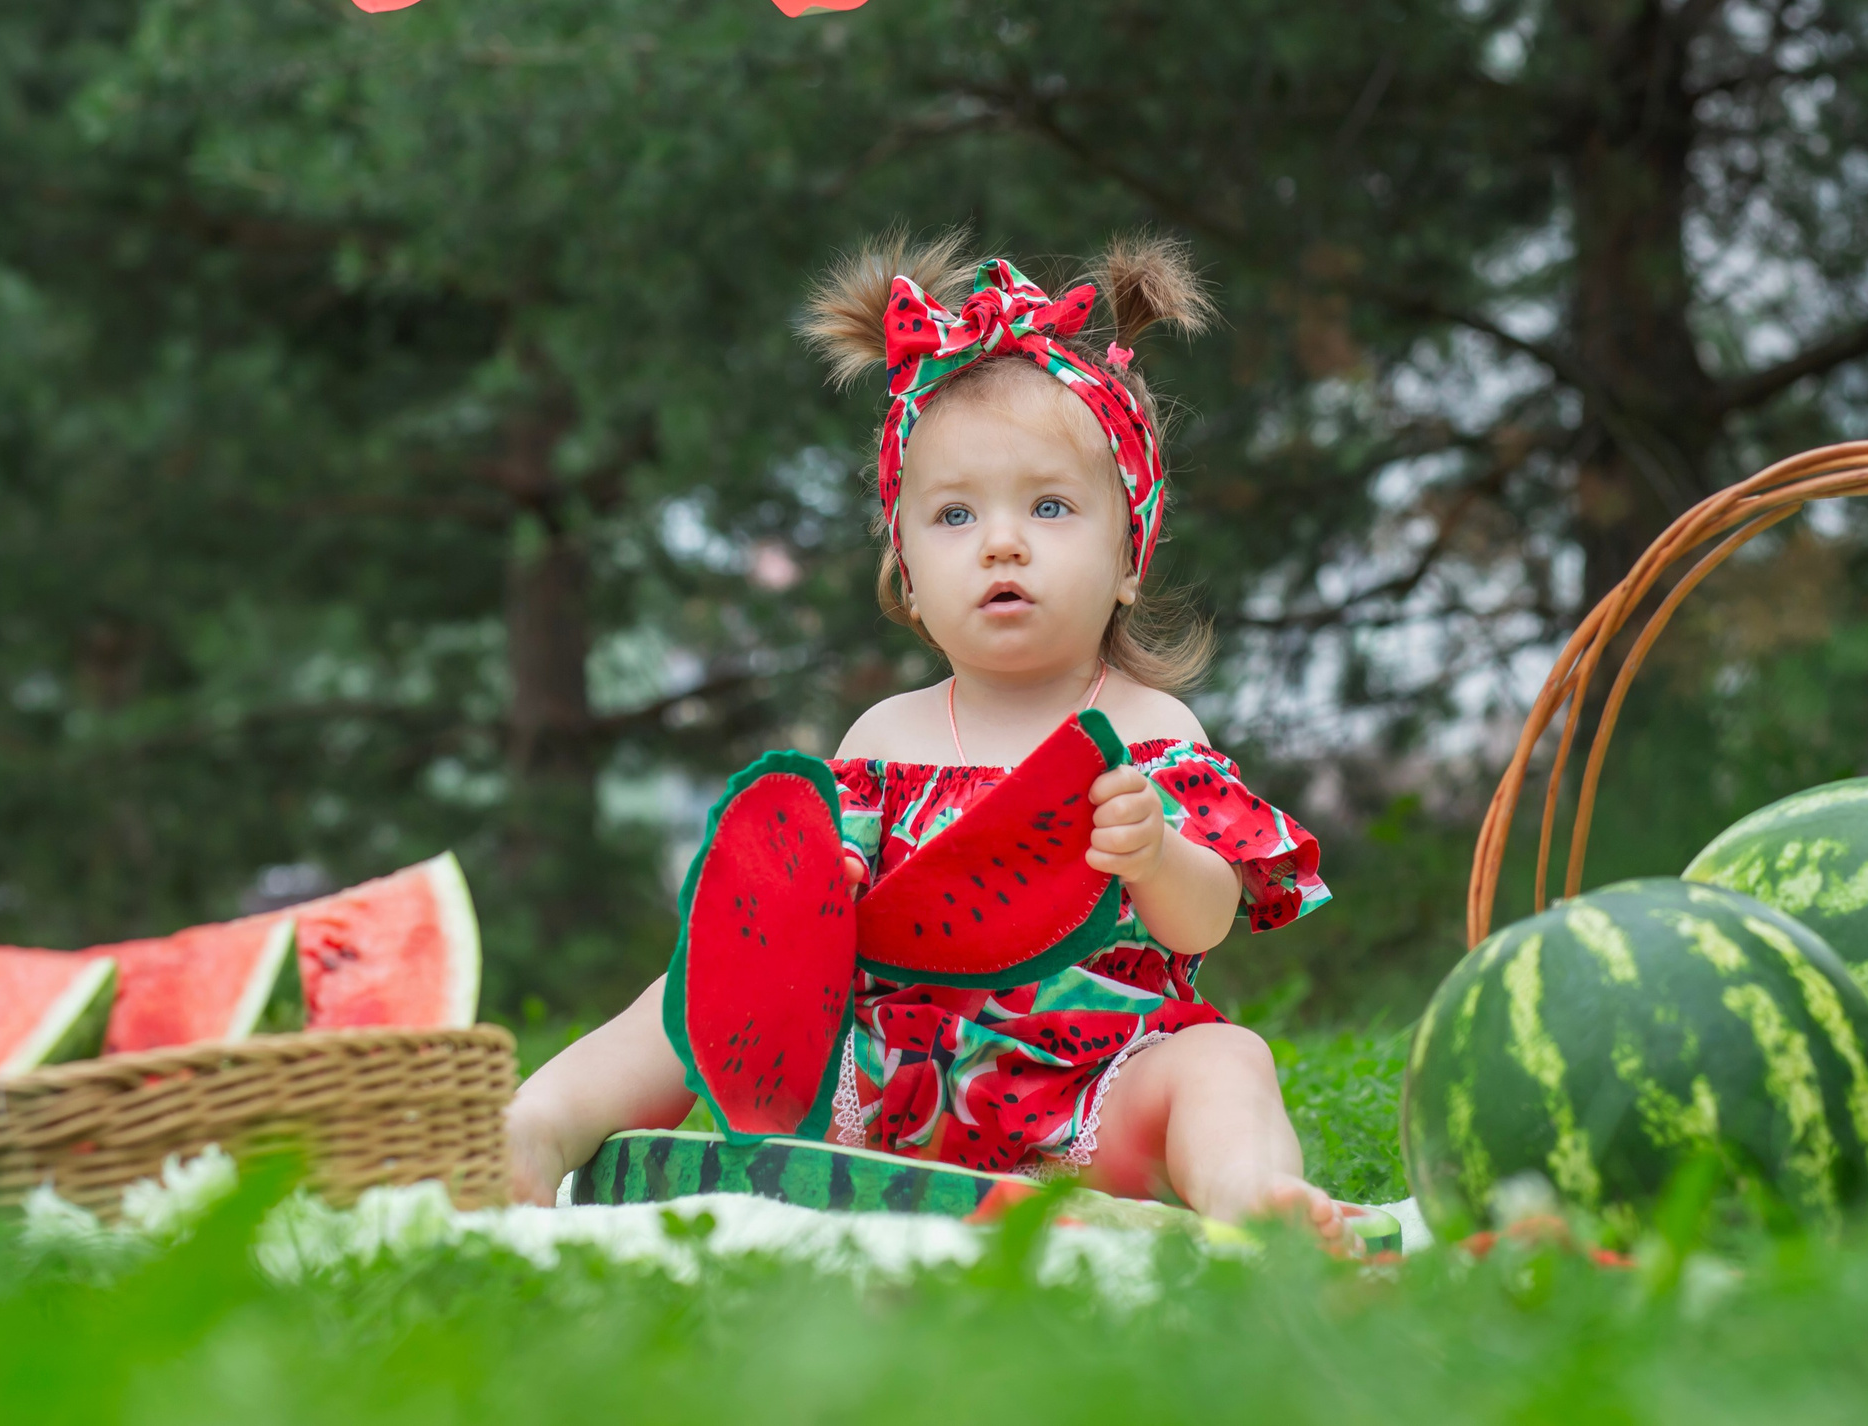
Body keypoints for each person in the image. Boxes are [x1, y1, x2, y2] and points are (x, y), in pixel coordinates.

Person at [507, 231, 1344, 1237]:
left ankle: (1249, 1195)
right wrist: (806, 896)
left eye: (1049, 506)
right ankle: (538, 1126)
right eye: (954, 516)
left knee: (1225, 1059)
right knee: (696, 986)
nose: (1002, 542)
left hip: (1089, 1094)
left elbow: (1203, 921)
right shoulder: (883, 734)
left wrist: (1157, 855)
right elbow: (810, 922)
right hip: (877, 1093)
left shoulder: (1149, 728)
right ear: (907, 572)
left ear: (1130, 557)